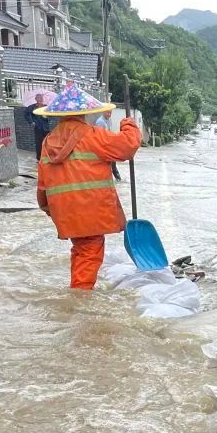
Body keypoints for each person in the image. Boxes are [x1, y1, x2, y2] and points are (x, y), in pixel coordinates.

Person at [35, 83, 141, 290]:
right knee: (90, 251)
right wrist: (129, 125)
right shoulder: (92, 135)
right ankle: (79, 305)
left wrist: (48, 208)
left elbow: (42, 182)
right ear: (85, 113)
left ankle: (77, 290)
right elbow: (127, 147)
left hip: (65, 211)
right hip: (90, 210)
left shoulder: (48, 141)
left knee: (81, 250)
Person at [95, 108, 122, 181]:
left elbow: (109, 132)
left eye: (110, 113)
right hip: (104, 147)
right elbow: (99, 136)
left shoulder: (108, 120)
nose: (109, 114)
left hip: (108, 146)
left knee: (113, 165)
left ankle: (117, 180)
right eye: (108, 113)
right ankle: (116, 179)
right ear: (103, 112)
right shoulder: (100, 122)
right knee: (110, 165)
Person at [24, 93, 52, 162]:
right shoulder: (32, 107)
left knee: (48, 142)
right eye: (38, 98)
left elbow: (50, 116)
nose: (40, 99)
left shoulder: (45, 107)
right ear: (36, 99)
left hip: (46, 127)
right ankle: (39, 158)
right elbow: (26, 113)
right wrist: (31, 122)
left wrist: (47, 116)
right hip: (38, 127)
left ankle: (47, 155)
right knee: (39, 143)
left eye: (41, 98)